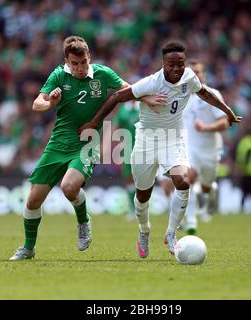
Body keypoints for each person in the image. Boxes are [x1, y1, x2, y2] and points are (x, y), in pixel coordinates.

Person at [79, 41, 241, 258]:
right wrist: (94, 122)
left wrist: (227, 110)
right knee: (142, 195)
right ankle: (144, 230)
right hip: (147, 140)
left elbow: (203, 93)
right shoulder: (151, 83)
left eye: (180, 64)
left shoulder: (189, 77)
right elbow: (118, 96)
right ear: (163, 63)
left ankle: (171, 233)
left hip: (174, 138)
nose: (176, 68)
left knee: (183, 181)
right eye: (171, 64)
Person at [9, 36, 161, 260]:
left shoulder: (103, 74)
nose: (80, 68)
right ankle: (28, 249)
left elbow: (129, 90)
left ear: (89, 57)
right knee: (33, 200)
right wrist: (50, 102)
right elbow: (36, 104)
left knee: (69, 187)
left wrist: (147, 98)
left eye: (83, 63)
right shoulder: (59, 76)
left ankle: (83, 221)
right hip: (58, 144)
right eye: (75, 64)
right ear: (67, 61)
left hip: (87, 143)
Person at [181, 60, 230, 234]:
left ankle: (211, 194)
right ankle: (191, 220)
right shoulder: (182, 96)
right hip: (189, 149)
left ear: (204, 75)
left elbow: (225, 122)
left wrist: (207, 127)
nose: (196, 75)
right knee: (189, 178)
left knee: (206, 186)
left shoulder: (212, 94)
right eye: (192, 72)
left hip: (210, 150)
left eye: (199, 72)